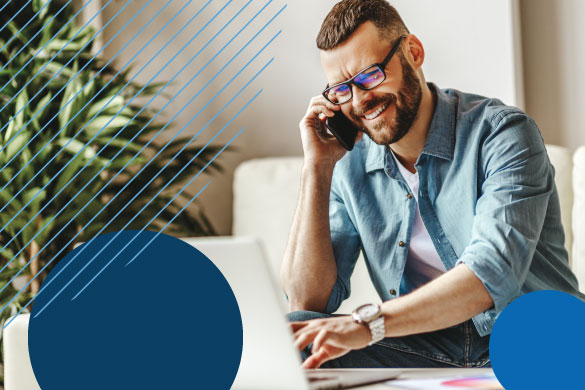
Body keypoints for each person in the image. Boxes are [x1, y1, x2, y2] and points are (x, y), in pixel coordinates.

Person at [280, 0, 582, 370]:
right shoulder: (349, 162)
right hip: (429, 344)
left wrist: (368, 324)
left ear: (414, 52)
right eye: (342, 90)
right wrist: (317, 168)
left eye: (370, 75)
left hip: (534, 332)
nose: (359, 101)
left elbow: (490, 273)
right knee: (295, 337)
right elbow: (306, 299)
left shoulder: (502, 133)